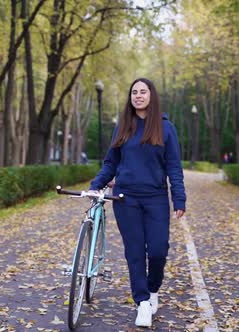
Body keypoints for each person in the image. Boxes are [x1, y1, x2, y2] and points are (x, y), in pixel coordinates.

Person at [89, 78, 186, 328]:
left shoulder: (166, 128)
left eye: (143, 92)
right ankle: (142, 302)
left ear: (151, 96)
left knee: (157, 250)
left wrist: (179, 198)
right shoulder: (123, 126)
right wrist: (96, 184)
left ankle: (153, 289)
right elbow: (111, 161)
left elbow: (174, 167)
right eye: (134, 92)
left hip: (155, 198)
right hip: (125, 198)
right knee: (134, 252)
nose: (138, 96)